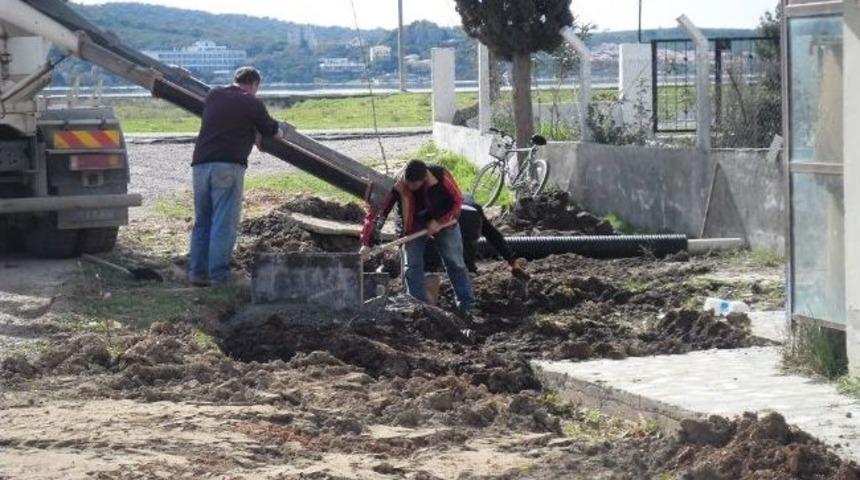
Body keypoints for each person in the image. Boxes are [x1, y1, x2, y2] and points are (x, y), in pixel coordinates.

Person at [188, 66, 292, 286]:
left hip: (201, 165)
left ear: (235, 80)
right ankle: (219, 275)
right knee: (223, 222)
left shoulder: (214, 94)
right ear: (254, 85)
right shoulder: (251, 103)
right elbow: (272, 130)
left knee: (203, 221)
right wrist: (282, 130)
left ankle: (197, 272)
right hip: (228, 165)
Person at [359, 159, 476, 313]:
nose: (411, 188)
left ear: (424, 178)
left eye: (415, 185)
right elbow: (380, 211)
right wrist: (367, 242)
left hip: (444, 220)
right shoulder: (398, 184)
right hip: (413, 225)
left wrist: (439, 221)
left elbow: (457, 201)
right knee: (411, 266)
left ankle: (467, 305)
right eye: (409, 184)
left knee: (455, 263)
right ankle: (418, 308)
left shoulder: (440, 175)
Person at [423, 195, 527, 305]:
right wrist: (512, 261)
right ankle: (467, 298)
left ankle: (432, 299)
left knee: (432, 260)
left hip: (447, 216)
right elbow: (493, 235)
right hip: (471, 217)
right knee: (465, 260)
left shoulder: (444, 198)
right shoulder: (472, 205)